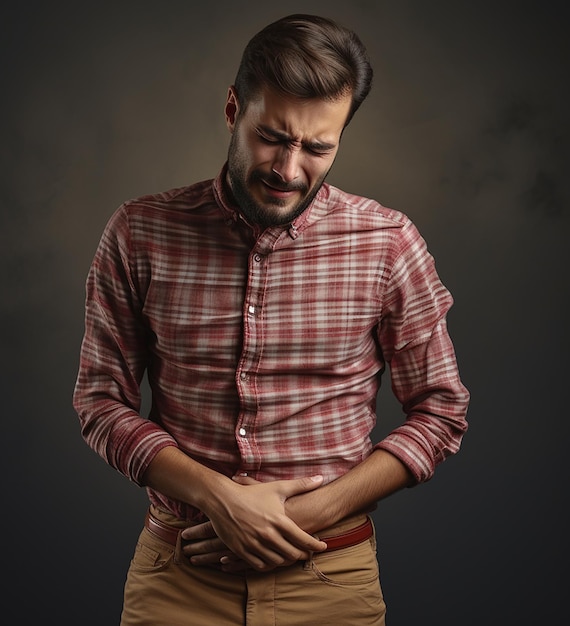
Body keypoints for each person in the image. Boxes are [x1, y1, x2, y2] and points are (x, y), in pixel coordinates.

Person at [73, 13, 470, 626]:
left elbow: (441, 413)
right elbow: (101, 401)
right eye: (272, 137)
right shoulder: (139, 232)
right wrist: (219, 499)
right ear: (234, 108)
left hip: (330, 578)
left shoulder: (389, 243)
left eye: (317, 148)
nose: (288, 169)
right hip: (180, 575)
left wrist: (304, 515)